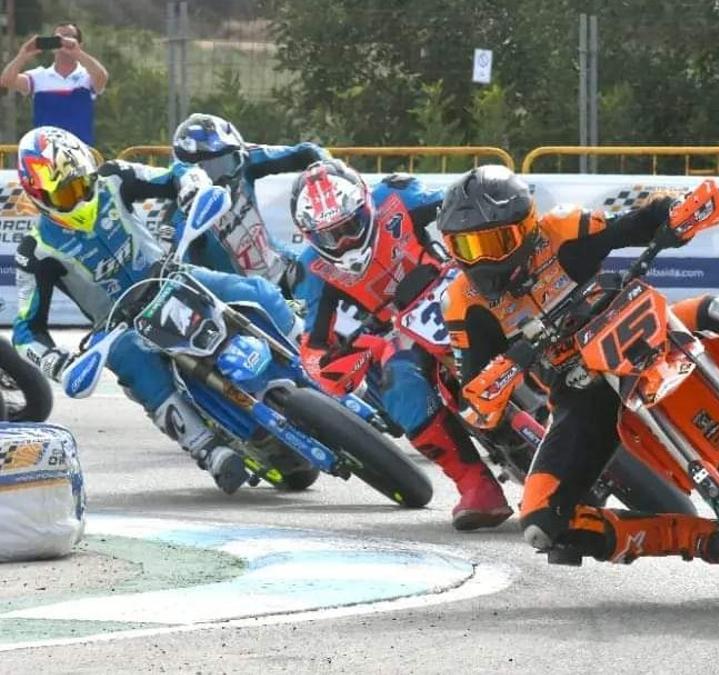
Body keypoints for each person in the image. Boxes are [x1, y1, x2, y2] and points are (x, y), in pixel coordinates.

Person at [439, 165, 719, 567]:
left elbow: (636, 222)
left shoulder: (562, 229)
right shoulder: (463, 304)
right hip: (583, 391)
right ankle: (700, 538)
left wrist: (677, 213)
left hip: (647, 326)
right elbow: (474, 398)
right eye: (465, 247)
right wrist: (492, 385)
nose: (480, 261)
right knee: (542, 522)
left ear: (527, 226)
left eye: (492, 242)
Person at [12, 126, 299, 494]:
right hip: (117, 324)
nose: (81, 194)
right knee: (134, 363)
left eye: (83, 182)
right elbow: (25, 331)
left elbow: (174, 175)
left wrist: (191, 186)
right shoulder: (34, 250)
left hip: (170, 274)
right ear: (40, 196)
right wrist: (57, 362)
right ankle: (205, 447)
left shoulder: (114, 177)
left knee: (256, 291)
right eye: (67, 191)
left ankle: (309, 357)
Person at [289, 159, 512, 531]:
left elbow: (465, 206)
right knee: (398, 387)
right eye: (331, 235)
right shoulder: (312, 270)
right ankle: (475, 486)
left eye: (350, 226)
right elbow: (313, 347)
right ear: (311, 236)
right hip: (396, 331)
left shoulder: (397, 196)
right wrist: (344, 362)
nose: (343, 240)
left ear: (365, 205)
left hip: (456, 282)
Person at [163, 113, 329, 295]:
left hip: (282, 266)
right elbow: (184, 281)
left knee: (329, 268)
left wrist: (333, 170)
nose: (226, 176)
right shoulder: (180, 216)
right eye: (212, 169)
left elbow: (307, 152)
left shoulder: (244, 159)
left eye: (227, 162)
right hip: (244, 301)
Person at [0, 23, 107, 145]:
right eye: (58, 38)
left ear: (80, 44)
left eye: (68, 37)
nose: (62, 41)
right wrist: (22, 55)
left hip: (80, 153)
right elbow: (6, 81)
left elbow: (102, 77)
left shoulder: (87, 77)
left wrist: (78, 53)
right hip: (45, 154)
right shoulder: (38, 76)